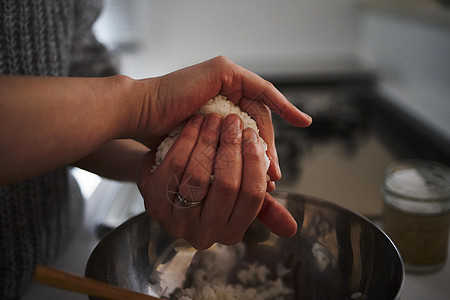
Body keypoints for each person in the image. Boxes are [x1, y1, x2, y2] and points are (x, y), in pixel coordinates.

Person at [0, 0, 311, 298]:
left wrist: (160, 161)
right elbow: (117, 111)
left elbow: (76, 95)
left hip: (59, 255)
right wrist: (140, 105)